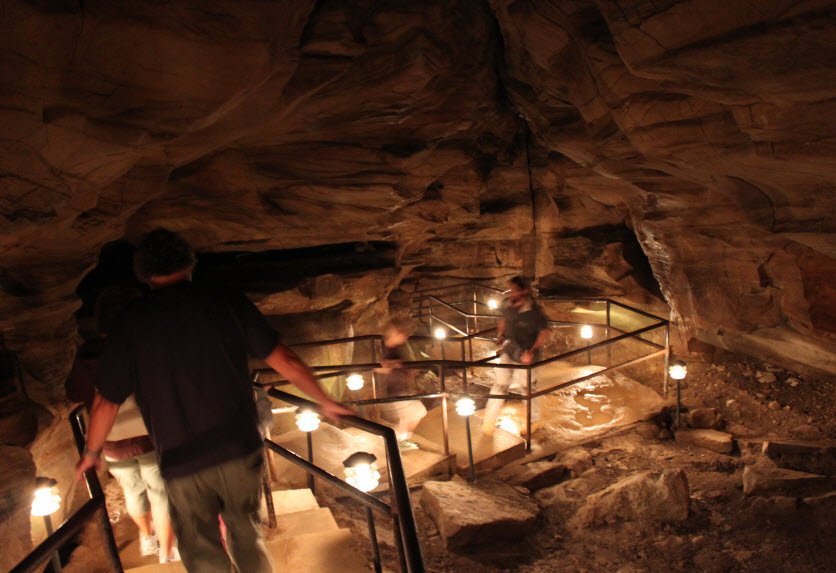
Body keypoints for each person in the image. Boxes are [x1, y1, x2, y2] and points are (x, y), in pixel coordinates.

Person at [75, 228, 354, 573]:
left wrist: (92, 453)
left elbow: (106, 401)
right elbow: (284, 358)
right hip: (239, 446)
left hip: (181, 457)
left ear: (144, 273)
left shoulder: (130, 324)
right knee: (246, 533)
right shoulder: (224, 299)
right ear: (189, 263)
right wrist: (324, 400)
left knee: (200, 547)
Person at [66, 286, 177, 563]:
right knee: (160, 493)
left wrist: (92, 449)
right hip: (149, 433)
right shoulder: (142, 346)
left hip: (110, 438)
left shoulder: (87, 355)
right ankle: (166, 553)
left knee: (132, 490)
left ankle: (147, 536)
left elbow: (75, 392)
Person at [481, 276, 550, 436]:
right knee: (500, 385)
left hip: (527, 354)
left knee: (527, 388)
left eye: (514, 290)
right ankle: (489, 420)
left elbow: (544, 331)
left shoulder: (534, 311)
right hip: (509, 350)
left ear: (524, 291)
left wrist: (531, 351)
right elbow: (504, 320)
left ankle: (534, 420)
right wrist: (500, 335)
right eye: (510, 289)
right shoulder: (508, 305)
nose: (510, 293)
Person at [374, 319, 427, 450]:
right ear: (394, 334)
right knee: (418, 411)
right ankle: (396, 440)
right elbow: (380, 367)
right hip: (395, 391)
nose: (404, 337)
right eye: (401, 333)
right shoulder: (386, 349)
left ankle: (399, 439)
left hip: (399, 389)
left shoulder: (393, 348)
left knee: (408, 416)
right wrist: (394, 365)